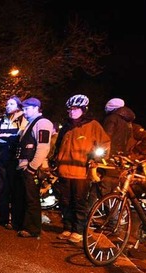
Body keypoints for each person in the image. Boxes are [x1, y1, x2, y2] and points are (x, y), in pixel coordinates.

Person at [51, 94, 111, 244]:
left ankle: (78, 230)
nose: (72, 112)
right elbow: (58, 147)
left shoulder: (93, 125)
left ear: (84, 110)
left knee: (79, 202)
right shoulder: (66, 127)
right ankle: (67, 227)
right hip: (64, 170)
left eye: (76, 109)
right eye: (70, 109)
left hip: (81, 172)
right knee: (65, 201)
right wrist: (54, 161)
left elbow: (104, 144)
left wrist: (95, 160)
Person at [14, 97, 54, 238]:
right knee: (26, 197)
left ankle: (32, 229)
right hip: (26, 167)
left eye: (27, 108)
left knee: (32, 199)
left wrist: (32, 167)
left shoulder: (42, 123)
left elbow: (43, 147)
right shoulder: (30, 124)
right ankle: (26, 225)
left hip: (31, 168)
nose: (24, 111)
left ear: (36, 108)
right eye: (23, 108)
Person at [0, 95, 28, 229]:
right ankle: (2, 217)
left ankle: (14, 219)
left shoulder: (23, 120)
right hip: (1, 160)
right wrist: (9, 140)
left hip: (14, 161)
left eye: (11, 104)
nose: (8, 106)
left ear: (18, 106)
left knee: (14, 189)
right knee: (1, 189)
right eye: (7, 104)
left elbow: (20, 138)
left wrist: (5, 140)